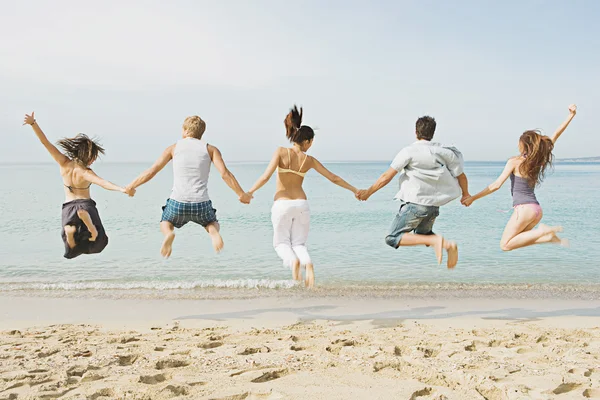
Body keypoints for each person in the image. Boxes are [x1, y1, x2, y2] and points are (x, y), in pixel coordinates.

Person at [245, 105, 357, 288]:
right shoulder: (309, 160)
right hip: (302, 204)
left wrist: (249, 192)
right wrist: (354, 190)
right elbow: (334, 178)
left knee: (281, 243)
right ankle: (307, 264)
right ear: (308, 142)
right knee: (299, 244)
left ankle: (294, 263)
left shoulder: (281, 152)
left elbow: (265, 176)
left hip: (282, 204)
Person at [125, 116, 251, 258]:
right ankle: (214, 233)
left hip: (177, 203)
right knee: (211, 222)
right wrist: (241, 194)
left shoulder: (173, 148)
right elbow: (225, 174)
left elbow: (152, 171)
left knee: (165, 221)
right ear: (201, 133)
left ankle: (169, 234)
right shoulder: (211, 149)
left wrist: (131, 186)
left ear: (185, 131)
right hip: (201, 204)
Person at [356, 116, 469, 269]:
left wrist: (368, 192)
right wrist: (466, 194)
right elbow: (461, 176)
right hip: (433, 208)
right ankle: (447, 245)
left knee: (392, 238)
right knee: (423, 235)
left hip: (415, 205)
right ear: (433, 133)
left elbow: (386, 177)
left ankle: (437, 241)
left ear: (416, 132)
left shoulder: (409, 151)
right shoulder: (445, 152)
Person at [462, 105, 577, 251]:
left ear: (525, 146)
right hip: (536, 210)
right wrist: (571, 116)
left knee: (505, 245)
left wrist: (473, 198)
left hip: (524, 210)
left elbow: (496, 185)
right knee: (518, 241)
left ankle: (542, 231)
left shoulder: (514, 161)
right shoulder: (537, 161)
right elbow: (555, 135)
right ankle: (547, 237)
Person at [23, 112, 132, 259]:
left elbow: (45, 143)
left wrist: (33, 123)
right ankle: (92, 230)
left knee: (72, 249)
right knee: (99, 242)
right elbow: (103, 183)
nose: (93, 161)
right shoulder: (85, 173)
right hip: (86, 206)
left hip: (68, 208)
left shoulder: (63, 163)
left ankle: (71, 235)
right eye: (93, 157)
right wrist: (122, 189)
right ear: (87, 156)